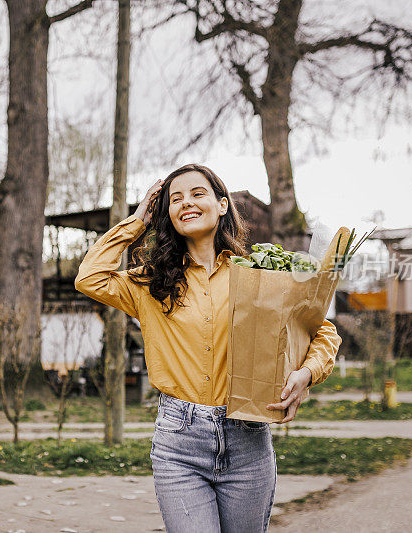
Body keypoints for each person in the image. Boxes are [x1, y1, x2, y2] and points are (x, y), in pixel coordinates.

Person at [74, 163, 342, 532]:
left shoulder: (258, 276)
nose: (186, 203)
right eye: (174, 199)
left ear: (222, 205)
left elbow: (321, 330)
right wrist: (137, 222)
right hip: (179, 443)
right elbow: (90, 277)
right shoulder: (150, 283)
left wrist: (307, 373)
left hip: (248, 439)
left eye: (197, 194)